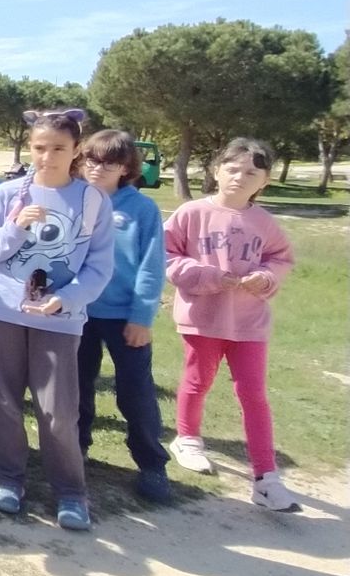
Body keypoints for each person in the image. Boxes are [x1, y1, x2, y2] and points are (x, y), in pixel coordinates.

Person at [0, 109, 113, 531]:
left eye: (58, 148)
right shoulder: (8, 194)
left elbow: (100, 266)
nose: (47, 156)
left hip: (60, 319)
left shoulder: (92, 200)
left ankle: (70, 493)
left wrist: (65, 299)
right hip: (3, 311)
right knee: (5, 401)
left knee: (57, 411)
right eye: (39, 148)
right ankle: (10, 479)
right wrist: (15, 227)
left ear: (74, 151)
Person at [164, 137, 298, 512]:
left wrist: (265, 277)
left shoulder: (264, 222)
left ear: (264, 181)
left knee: (253, 393)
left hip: (249, 322)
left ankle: (265, 477)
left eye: (251, 172)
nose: (240, 177)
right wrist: (201, 274)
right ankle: (187, 439)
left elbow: (280, 260)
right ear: (216, 171)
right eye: (232, 169)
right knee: (197, 380)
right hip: (202, 318)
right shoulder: (192, 212)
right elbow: (168, 253)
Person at [75, 129, 172, 502]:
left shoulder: (141, 209)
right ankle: (77, 448)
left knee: (135, 392)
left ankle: (151, 464)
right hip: (78, 312)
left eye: (110, 163)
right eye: (92, 160)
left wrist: (142, 317)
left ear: (126, 167)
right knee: (78, 385)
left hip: (125, 317)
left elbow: (151, 268)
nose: (99, 169)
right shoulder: (76, 200)